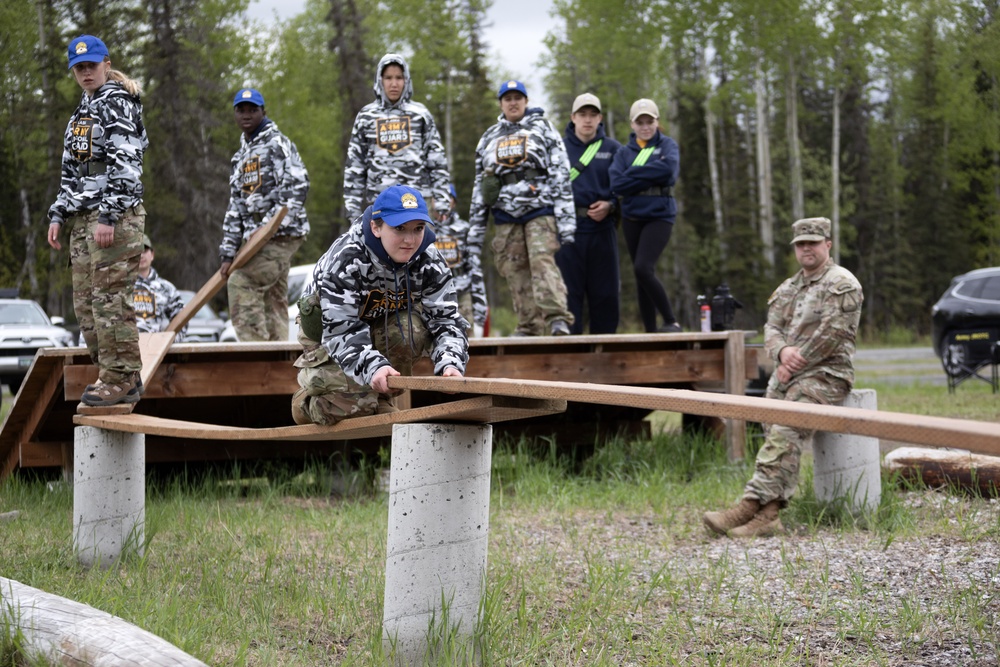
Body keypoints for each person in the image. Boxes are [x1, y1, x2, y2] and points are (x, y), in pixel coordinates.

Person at [703, 217, 863, 538]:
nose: (807, 249)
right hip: (789, 373)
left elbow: (833, 332)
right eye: (801, 244)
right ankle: (771, 515)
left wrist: (794, 360)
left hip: (827, 374)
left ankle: (750, 505)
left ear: (827, 245)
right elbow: (771, 327)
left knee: (786, 428)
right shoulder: (789, 287)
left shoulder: (842, 283)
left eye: (813, 243)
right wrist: (780, 352)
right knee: (775, 431)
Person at [291, 185, 468, 426]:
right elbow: (342, 330)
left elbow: (446, 320)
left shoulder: (429, 259)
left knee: (411, 329)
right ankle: (305, 400)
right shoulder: (347, 259)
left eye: (418, 228)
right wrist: (373, 367)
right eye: (399, 228)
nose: (410, 239)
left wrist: (450, 364)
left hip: (382, 320)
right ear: (376, 227)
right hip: (328, 332)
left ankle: (379, 395)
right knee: (347, 407)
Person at [46, 35, 148, 407]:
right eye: (79, 67)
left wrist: (110, 215)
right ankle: (120, 374)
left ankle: (118, 377)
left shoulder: (117, 103)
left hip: (114, 217)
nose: (85, 72)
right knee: (86, 306)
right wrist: (59, 213)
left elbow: (127, 166)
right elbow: (70, 172)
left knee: (109, 300)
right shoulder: (82, 111)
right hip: (83, 217)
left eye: (91, 65)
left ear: (106, 64)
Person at [468, 80, 575, 337]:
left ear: (526, 102)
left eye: (518, 97)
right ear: (501, 103)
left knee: (541, 261)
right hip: (505, 214)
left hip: (540, 208)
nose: (513, 102)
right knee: (514, 269)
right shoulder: (489, 137)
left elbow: (561, 173)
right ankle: (529, 325)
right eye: (508, 98)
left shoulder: (543, 129)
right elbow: (479, 184)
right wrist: (475, 231)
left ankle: (557, 319)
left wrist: (567, 221)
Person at [219, 88, 310, 342]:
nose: (246, 115)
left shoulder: (277, 144)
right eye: (241, 110)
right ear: (235, 114)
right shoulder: (240, 157)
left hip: (281, 235)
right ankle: (279, 366)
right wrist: (228, 251)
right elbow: (235, 206)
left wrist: (269, 227)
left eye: (252, 110)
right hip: (255, 241)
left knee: (242, 282)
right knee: (274, 299)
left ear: (263, 112)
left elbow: (298, 188)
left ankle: (254, 357)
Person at [343, 53, 451, 222]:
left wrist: (443, 200)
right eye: (388, 78)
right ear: (380, 80)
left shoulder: (420, 114)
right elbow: (355, 165)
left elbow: (437, 160)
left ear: (406, 80)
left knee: (420, 247)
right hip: (380, 202)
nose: (394, 84)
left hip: (417, 201)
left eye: (399, 78)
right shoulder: (366, 116)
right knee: (379, 248)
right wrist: (352, 208)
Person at [609, 98, 682, 333]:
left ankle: (671, 320)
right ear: (632, 124)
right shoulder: (624, 152)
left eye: (649, 121)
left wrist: (634, 174)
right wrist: (652, 171)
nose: (645, 127)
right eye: (640, 122)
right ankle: (650, 332)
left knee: (643, 267)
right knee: (642, 276)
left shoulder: (667, 145)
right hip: (632, 217)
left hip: (660, 214)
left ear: (656, 121)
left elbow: (669, 171)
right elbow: (617, 183)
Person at [555, 93, 623, 334]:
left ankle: (604, 351)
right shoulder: (558, 148)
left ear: (600, 118)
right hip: (567, 230)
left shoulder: (614, 149)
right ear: (573, 117)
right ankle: (570, 357)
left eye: (592, 115)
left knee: (605, 293)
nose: (587, 120)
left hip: (602, 230)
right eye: (582, 114)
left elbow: (626, 186)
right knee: (568, 293)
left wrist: (611, 205)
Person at [435, 184, 488, 335]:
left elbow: (475, 269)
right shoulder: (423, 229)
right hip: (433, 296)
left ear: (454, 202)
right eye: (439, 197)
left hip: (461, 294)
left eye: (448, 198)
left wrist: (479, 314)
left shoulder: (464, 230)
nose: (443, 202)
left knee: (468, 347)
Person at [133, 234, 186, 338]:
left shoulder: (166, 288)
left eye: (145, 251)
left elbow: (182, 319)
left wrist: (168, 343)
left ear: (152, 254)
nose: (141, 255)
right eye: (137, 252)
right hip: (128, 350)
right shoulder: (121, 287)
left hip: (156, 350)